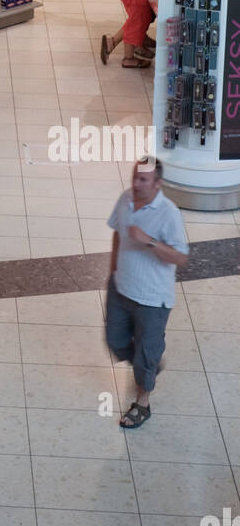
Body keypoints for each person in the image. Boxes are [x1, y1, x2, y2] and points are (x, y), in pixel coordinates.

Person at [105, 158, 189, 429]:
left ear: (157, 183)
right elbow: (118, 232)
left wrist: (149, 241)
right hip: (121, 287)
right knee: (115, 340)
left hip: (152, 300)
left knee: (144, 355)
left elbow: (180, 257)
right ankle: (148, 365)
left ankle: (142, 404)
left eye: (143, 180)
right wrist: (113, 270)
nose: (136, 184)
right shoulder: (125, 199)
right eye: (135, 177)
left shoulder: (168, 213)